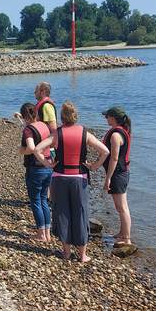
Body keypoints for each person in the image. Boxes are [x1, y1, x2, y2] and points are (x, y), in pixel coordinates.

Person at [36, 101, 109, 262]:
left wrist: (48, 164)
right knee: (80, 213)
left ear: (62, 118)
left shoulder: (57, 134)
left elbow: (37, 149)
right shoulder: (85, 133)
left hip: (59, 177)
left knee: (62, 213)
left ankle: (66, 252)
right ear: (76, 117)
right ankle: (82, 255)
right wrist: (94, 166)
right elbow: (105, 151)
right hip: (79, 178)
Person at [17, 103, 55, 242]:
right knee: (44, 199)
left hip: (35, 168)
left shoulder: (28, 129)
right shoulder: (44, 125)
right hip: (48, 165)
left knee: (36, 201)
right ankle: (48, 233)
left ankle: (41, 234)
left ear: (25, 116)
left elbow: (32, 148)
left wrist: (22, 151)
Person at [101, 106, 132, 246]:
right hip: (122, 173)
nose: (105, 118)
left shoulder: (115, 135)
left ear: (113, 118)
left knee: (122, 207)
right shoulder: (121, 131)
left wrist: (108, 178)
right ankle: (122, 233)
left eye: (107, 116)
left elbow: (114, 158)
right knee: (120, 206)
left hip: (118, 174)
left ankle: (126, 238)